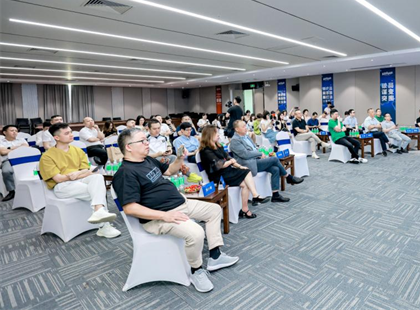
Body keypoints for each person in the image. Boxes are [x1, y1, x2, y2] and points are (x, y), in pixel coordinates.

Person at [113, 128, 239, 293]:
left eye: (146, 140)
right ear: (129, 147)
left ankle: (215, 256)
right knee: (196, 233)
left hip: (179, 204)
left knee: (214, 210)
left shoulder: (147, 160)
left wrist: (180, 158)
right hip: (158, 218)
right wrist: (165, 215)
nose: (147, 143)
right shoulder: (125, 173)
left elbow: (170, 170)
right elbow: (130, 208)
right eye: (142, 141)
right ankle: (196, 270)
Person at [39, 123, 121, 238]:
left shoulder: (78, 150)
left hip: (79, 180)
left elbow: (87, 170)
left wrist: (77, 173)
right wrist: (74, 175)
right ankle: (104, 225)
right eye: (67, 133)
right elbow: (58, 178)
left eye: (71, 132)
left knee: (98, 177)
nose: (71, 135)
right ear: (56, 137)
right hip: (62, 186)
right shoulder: (47, 156)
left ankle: (99, 212)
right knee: (97, 191)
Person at [200, 125, 269, 219]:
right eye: (216, 133)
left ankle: (245, 209)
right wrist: (231, 162)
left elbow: (229, 158)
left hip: (227, 171)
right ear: (209, 135)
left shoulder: (218, 146)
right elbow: (220, 165)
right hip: (218, 176)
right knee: (247, 172)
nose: (219, 135)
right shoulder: (205, 151)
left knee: (245, 183)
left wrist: (240, 166)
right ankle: (255, 195)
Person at [230, 120, 303, 202]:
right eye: (243, 126)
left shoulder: (246, 136)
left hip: (256, 160)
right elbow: (245, 154)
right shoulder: (235, 140)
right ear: (237, 129)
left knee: (275, 169)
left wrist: (261, 154)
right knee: (275, 159)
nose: (246, 128)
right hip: (248, 164)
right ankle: (288, 177)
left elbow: (254, 148)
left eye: (245, 125)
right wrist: (259, 154)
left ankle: (275, 195)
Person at [0, 125, 29, 202]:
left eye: (16, 131)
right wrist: (18, 148)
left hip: (23, 159)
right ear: (5, 132)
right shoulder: (1, 141)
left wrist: (8, 148)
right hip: (8, 160)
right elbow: (2, 152)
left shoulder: (21, 139)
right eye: (12, 130)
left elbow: (26, 148)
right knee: (6, 171)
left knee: (35, 170)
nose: (15, 132)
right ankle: (11, 191)